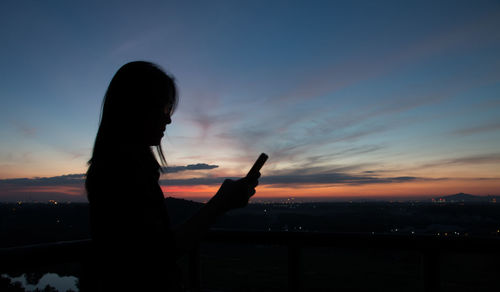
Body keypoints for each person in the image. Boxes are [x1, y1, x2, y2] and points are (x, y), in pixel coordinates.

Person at [84, 61, 260, 291]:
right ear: (138, 107)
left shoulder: (118, 167)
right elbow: (157, 255)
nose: (169, 119)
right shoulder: (120, 173)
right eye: (165, 108)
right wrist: (220, 204)